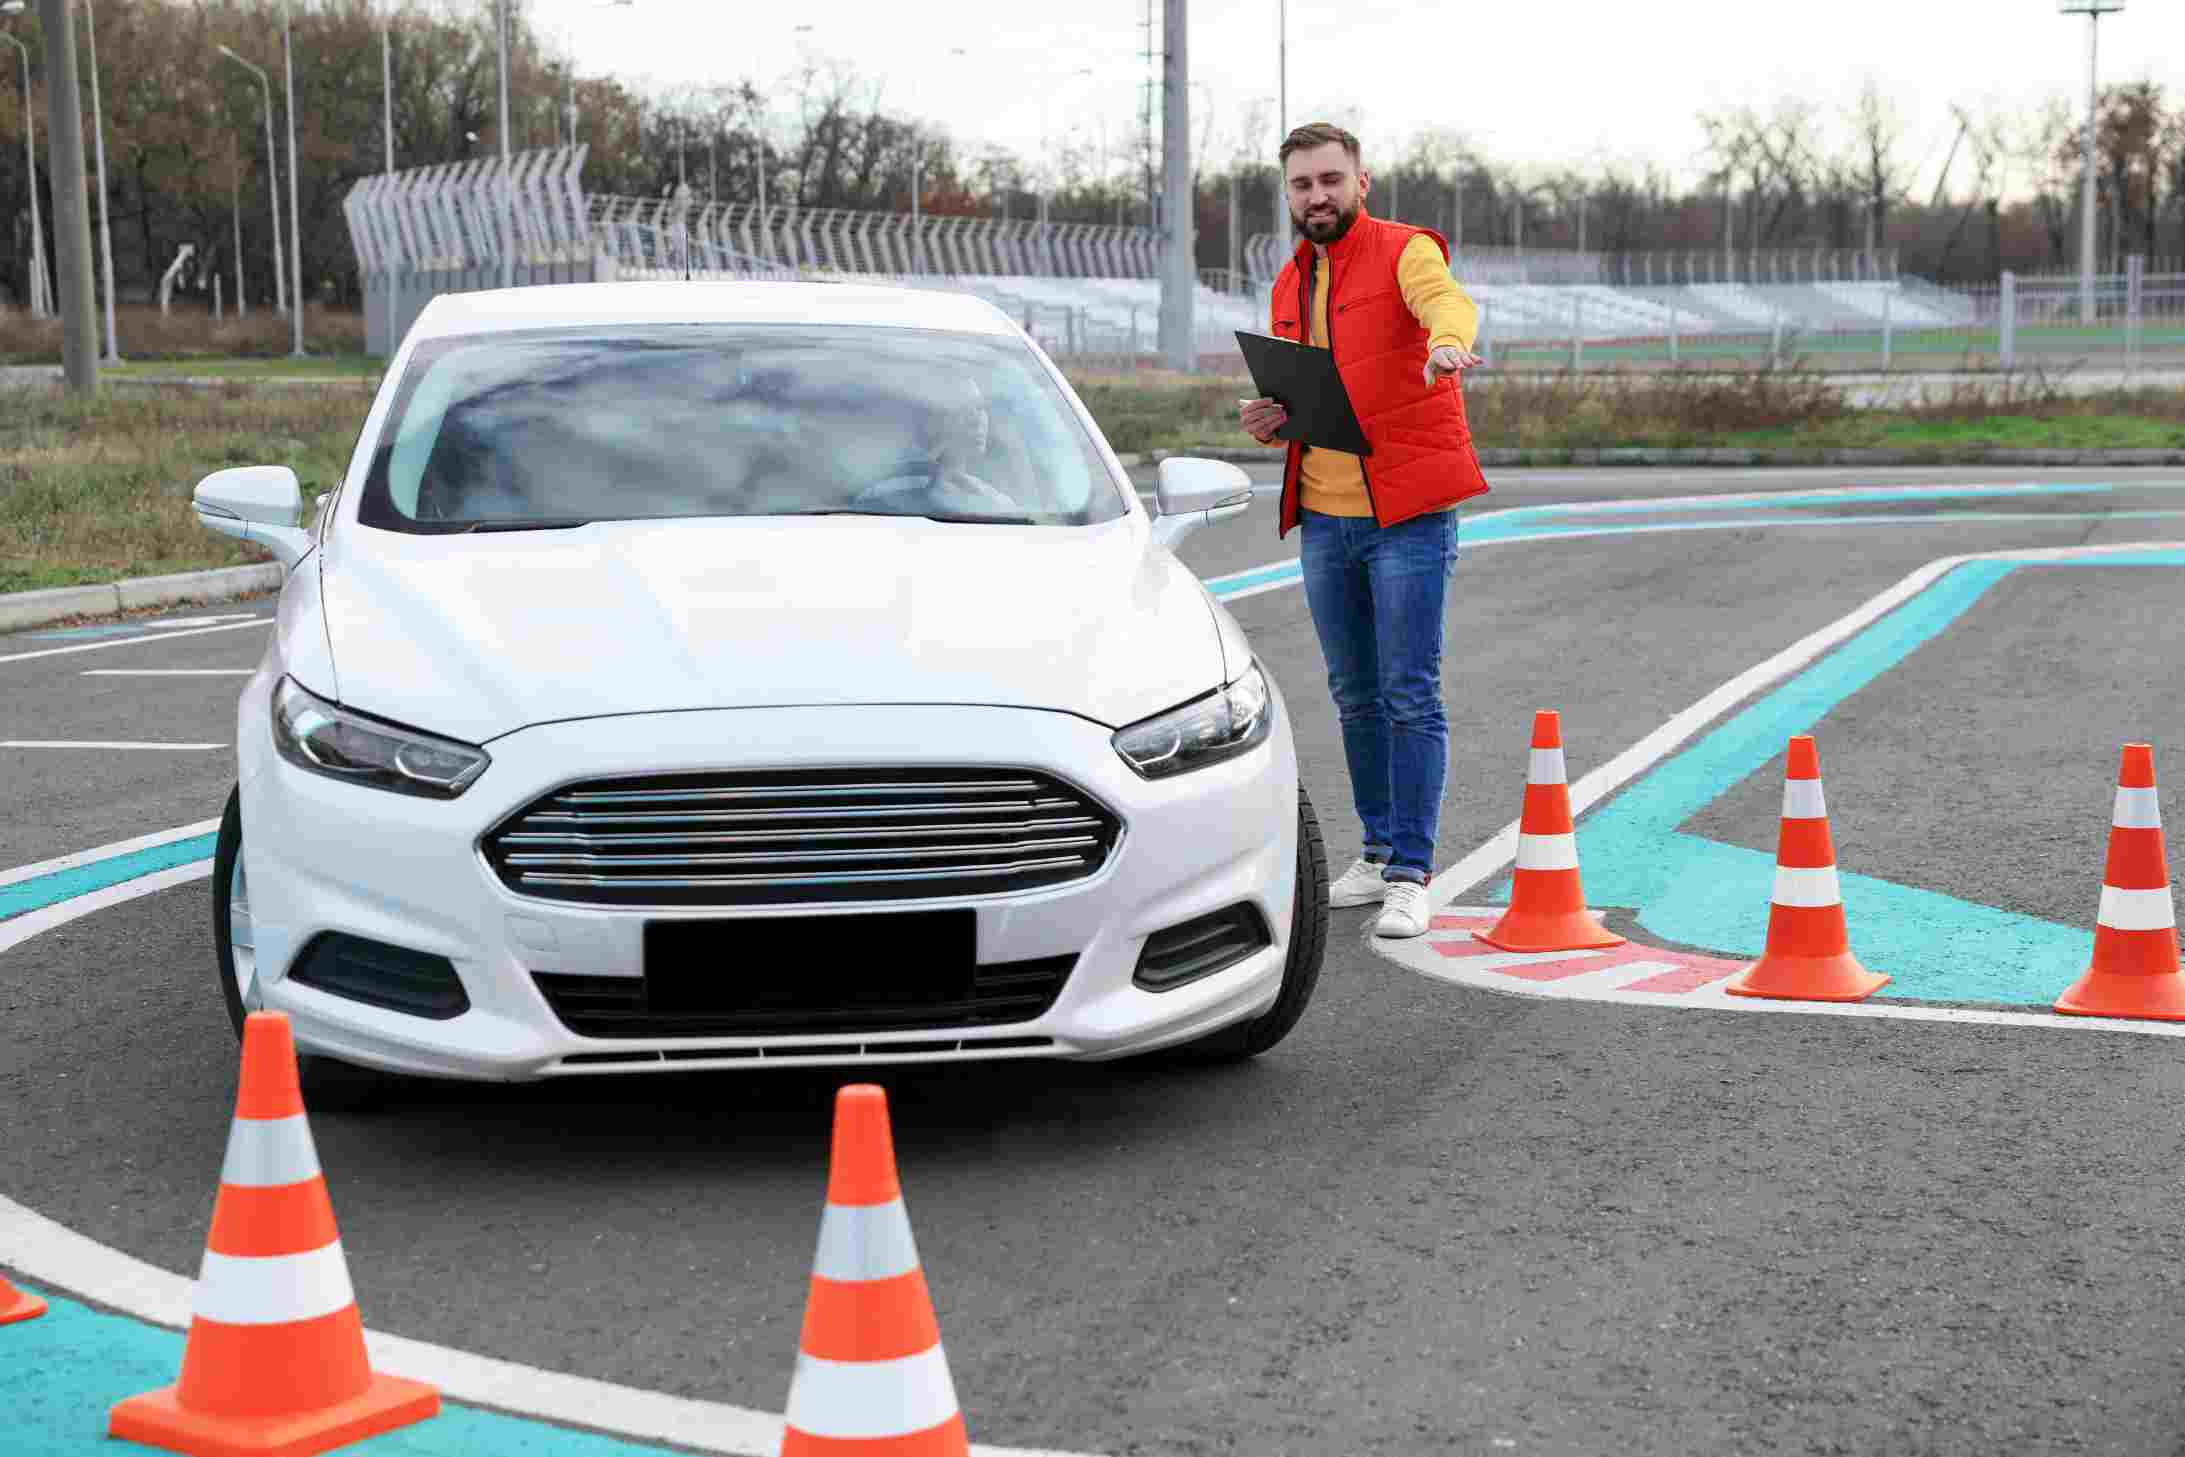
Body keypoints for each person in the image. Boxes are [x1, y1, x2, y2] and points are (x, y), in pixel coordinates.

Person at [1237, 122, 1492, 939]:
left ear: (1361, 182)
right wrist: (1266, 420)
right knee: (1353, 697)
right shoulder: (1287, 281)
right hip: (1322, 516)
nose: (1317, 196)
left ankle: (1413, 872)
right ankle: (1377, 850)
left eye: (1330, 180)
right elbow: (1303, 393)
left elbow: (1446, 301)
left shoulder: (1405, 250)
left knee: (1407, 693)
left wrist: (1448, 345)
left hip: (1405, 519)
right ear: (1288, 195)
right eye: (1302, 184)